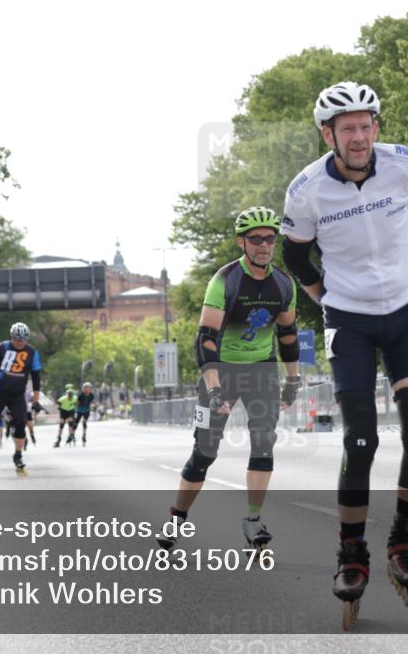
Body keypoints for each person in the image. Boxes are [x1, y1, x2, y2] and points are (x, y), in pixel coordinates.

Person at [281, 81, 408, 620]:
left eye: (366, 125)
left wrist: (394, 275)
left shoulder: (405, 166)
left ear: (376, 127)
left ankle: (404, 538)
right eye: (347, 128)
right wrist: (327, 297)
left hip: (407, 309)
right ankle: (352, 552)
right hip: (348, 319)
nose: (359, 136)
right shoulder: (306, 192)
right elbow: (296, 259)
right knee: (362, 438)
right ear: (328, 134)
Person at [156, 207, 301, 554]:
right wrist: (214, 386)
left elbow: (288, 335)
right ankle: (177, 517)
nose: (265, 245)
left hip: (262, 370)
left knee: (264, 439)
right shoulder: (225, 281)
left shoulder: (283, 284)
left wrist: (293, 381)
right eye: (256, 239)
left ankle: (253, 520)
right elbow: (206, 337)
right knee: (204, 452)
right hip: (221, 370)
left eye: (270, 238)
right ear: (242, 242)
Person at [0, 322, 42, 476]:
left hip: (17, 395)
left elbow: (36, 376)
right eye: (17, 340)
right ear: (11, 337)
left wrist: (36, 400)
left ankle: (18, 455)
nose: (20, 343)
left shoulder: (32, 352)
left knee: (21, 423)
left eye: (23, 340)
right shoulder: (2, 348)